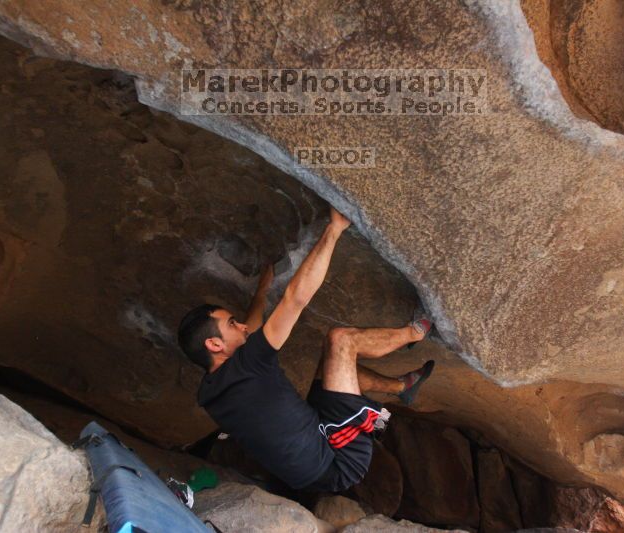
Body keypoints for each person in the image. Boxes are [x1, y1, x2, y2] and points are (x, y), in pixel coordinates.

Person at [178, 207, 435, 492]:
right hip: (338, 458)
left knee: (332, 369)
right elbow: (295, 299)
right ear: (215, 345)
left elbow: (251, 326)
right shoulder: (249, 364)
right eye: (232, 324)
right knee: (341, 341)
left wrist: (262, 290)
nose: (242, 327)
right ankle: (415, 332)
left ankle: (401, 387)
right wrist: (334, 229)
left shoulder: (213, 390)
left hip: (308, 470)